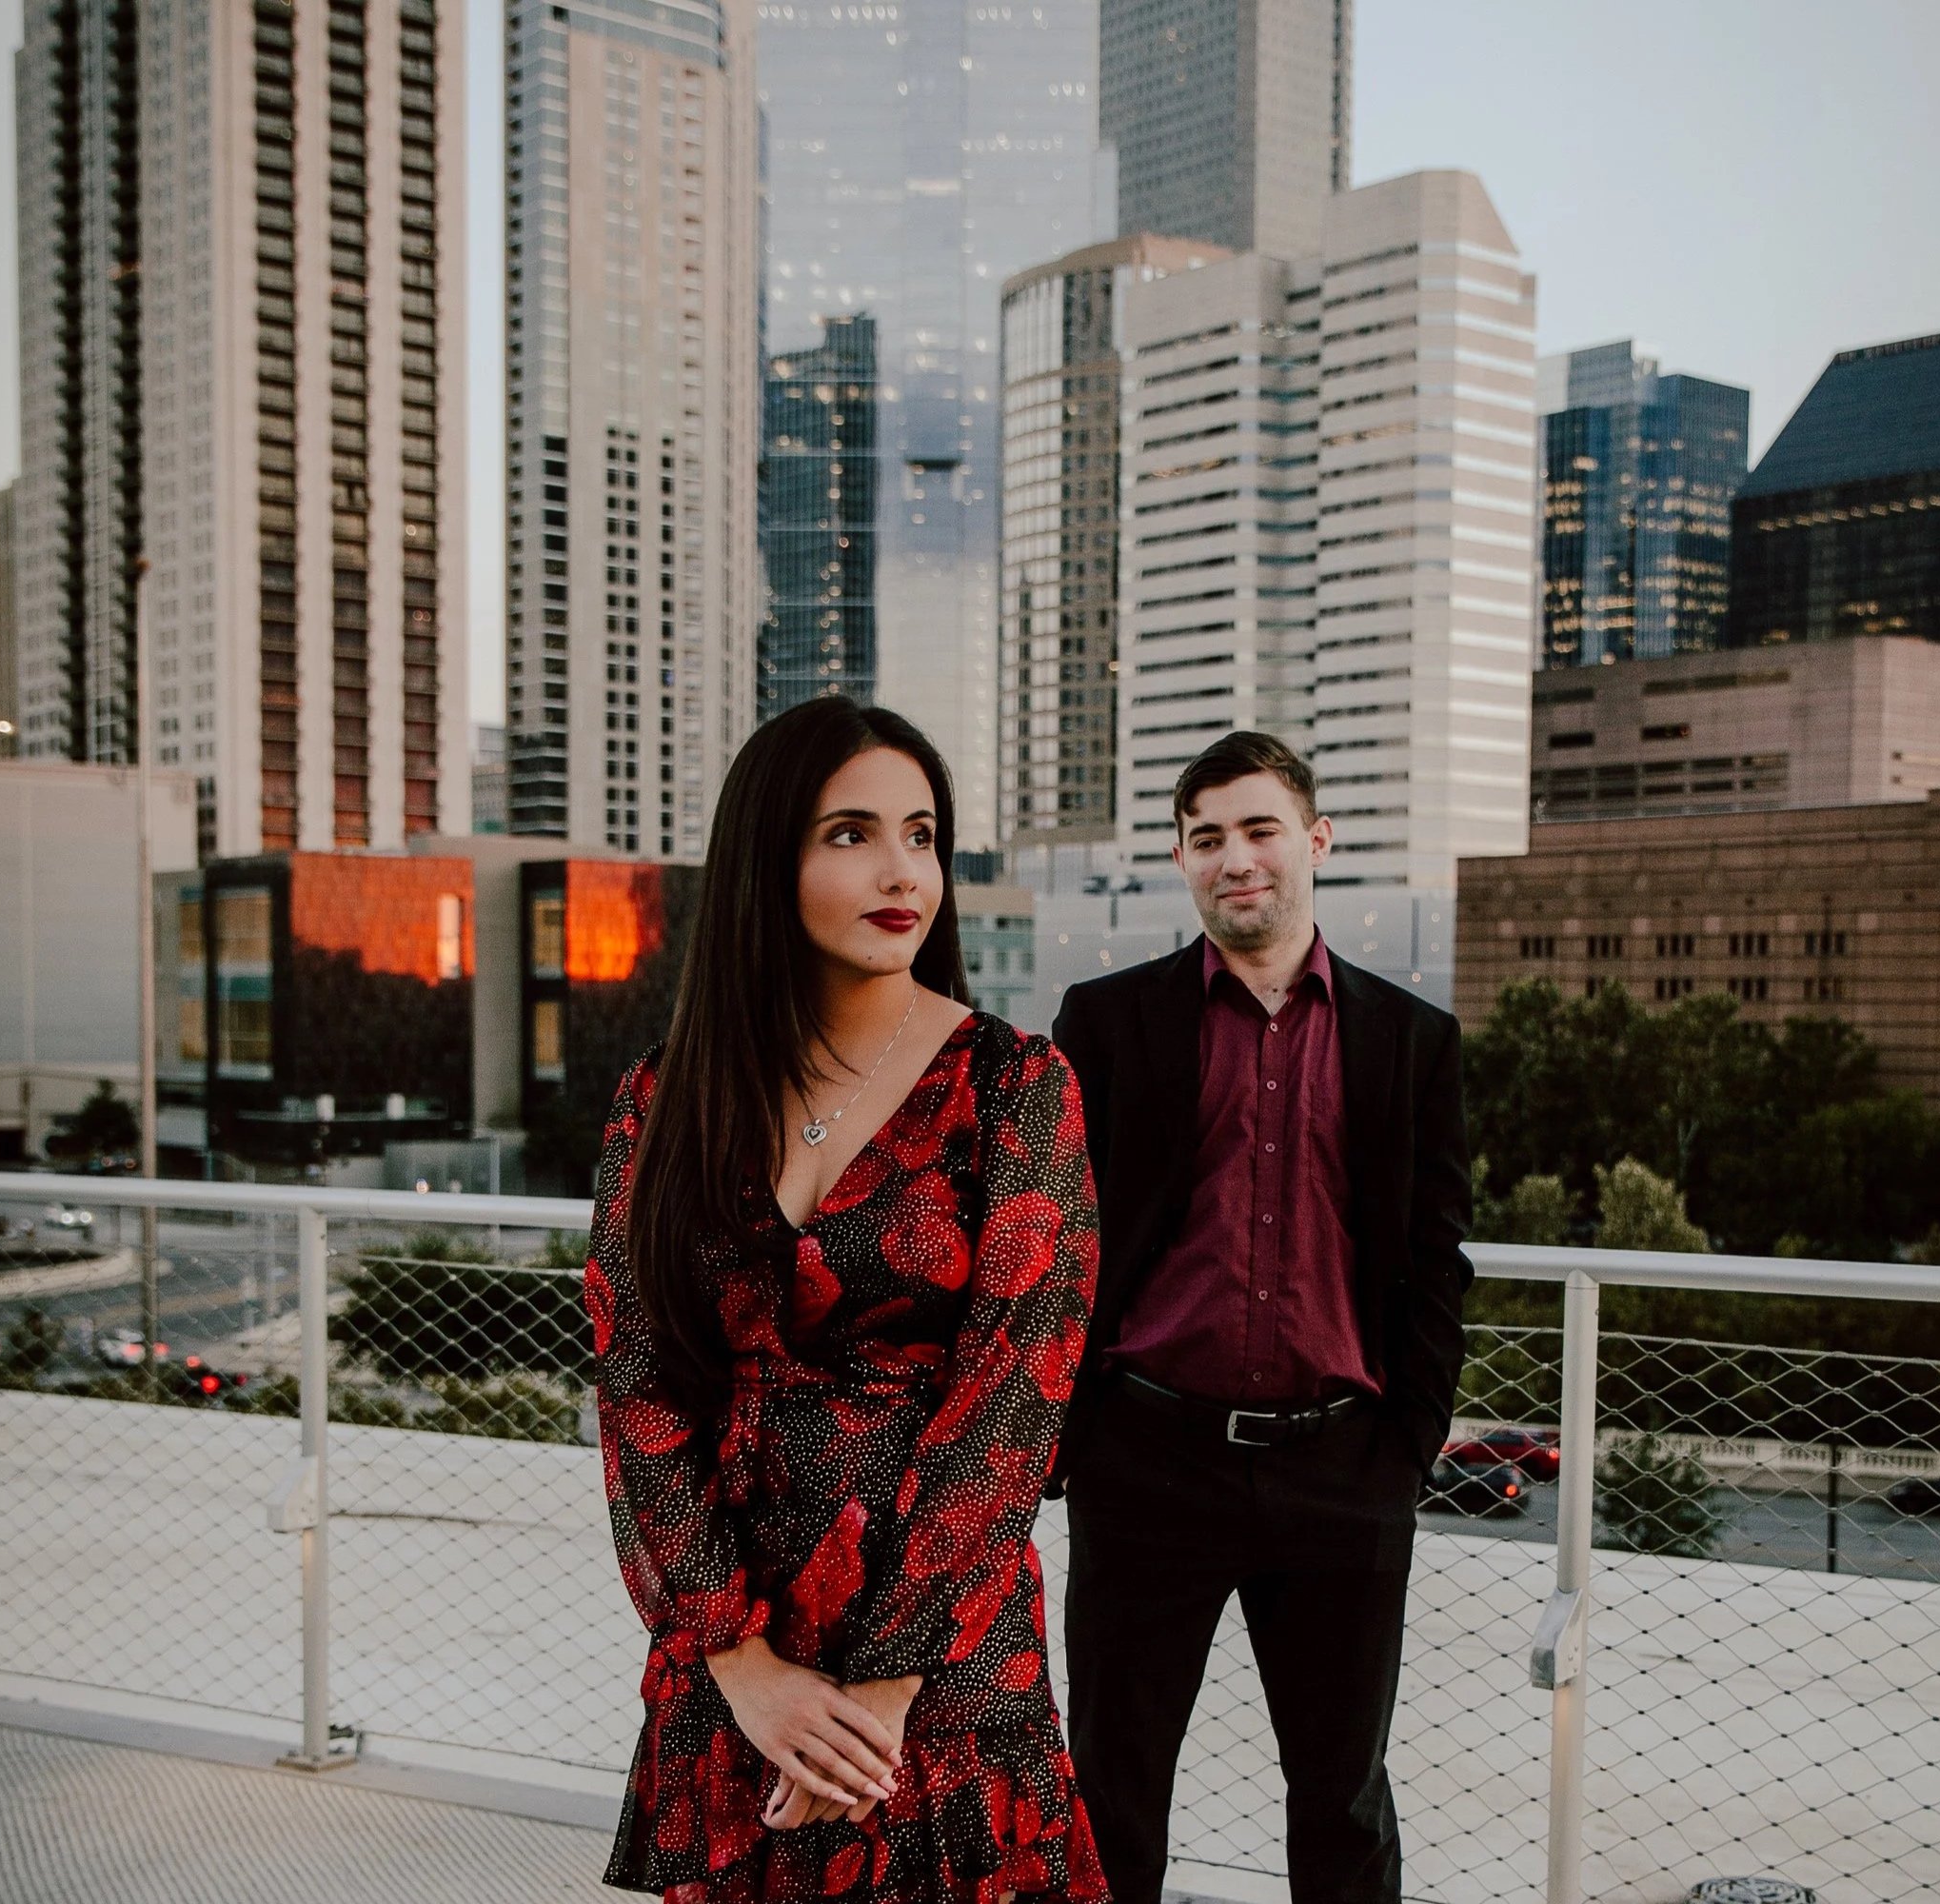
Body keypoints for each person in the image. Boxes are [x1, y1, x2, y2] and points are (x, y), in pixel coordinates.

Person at [583, 699, 1108, 1902]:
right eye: (851, 833)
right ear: (768, 859)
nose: (900, 871)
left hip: (942, 1657)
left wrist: (879, 1691)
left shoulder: (1015, 1085)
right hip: (736, 1650)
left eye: (922, 835)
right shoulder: (662, 1099)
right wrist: (738, 1656)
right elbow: (638, 1384)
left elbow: (1013, 1403)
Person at [1050, 730, 1473, 1904]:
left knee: (1341, 1798)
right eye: (1206, 836)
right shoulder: (1107, 1020)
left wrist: (1406, 1449)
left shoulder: (1410, 1040)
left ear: (1315, 840)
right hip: (1148, 1462)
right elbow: (1056, 1238)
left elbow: (1436, 1259)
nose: (1235, 857)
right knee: (1112, 1791)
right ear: (1181, 861)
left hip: (1342, 1469)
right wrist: (1074, 1444)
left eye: (1259, 827)